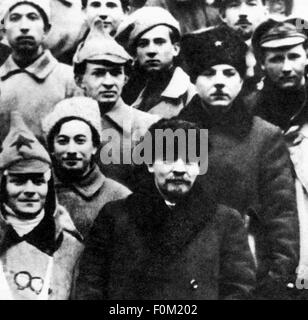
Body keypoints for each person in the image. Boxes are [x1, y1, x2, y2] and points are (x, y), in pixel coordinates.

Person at [179, 24, 299, 299]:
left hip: (247, 269)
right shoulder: (169, 132)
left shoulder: (265, 136)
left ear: (242, 80)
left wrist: (277, 277)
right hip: (186, 270)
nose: (219, 81)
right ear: (194, 80)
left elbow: (281, 214)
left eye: (229, 73)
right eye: (209, 73)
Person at [75, 118, 256, 300]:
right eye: (169, 158)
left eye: (189, 160)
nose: (179, 169)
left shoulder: (225, 222)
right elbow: (91, 285)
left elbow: (239, 289)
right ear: (150, 164)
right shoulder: (115, 216)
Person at [0, 111, 83, 300]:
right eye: (19, 181)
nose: (30, 190)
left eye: (38, 181)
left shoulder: (70, 247)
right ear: (3, 187)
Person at [73, 18, 159, 189]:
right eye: (98, 73)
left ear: (125, 78)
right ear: (79, 79)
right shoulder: (67, 127)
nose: (108, 82)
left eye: (115, 73)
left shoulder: (150, 126)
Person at [42, 97, 131, 239]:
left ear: (95, 146)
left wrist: (73, 238)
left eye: (80, 141)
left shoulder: (119, 196)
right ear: (52, 148)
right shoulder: (35, 190)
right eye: (63, 141)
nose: (71, 149)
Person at [0, 0, 80, 141]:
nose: (24, 27)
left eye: (32, 17)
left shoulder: (70, 79)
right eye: (14, 18)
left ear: (46, 30)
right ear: (4, 31)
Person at [116, 6, 196, 116]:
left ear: (175, 49)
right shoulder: (131, 93)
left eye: (159, 42)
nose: (151, 51)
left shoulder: (190, 96)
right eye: (143, 44)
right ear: (135, 54)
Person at [252, 17, 308, 132]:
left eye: (294, 57)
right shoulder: (250, 107)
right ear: (262, 63)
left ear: (307, 57)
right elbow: (204, 145)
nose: (286, 68)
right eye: (276, 59)